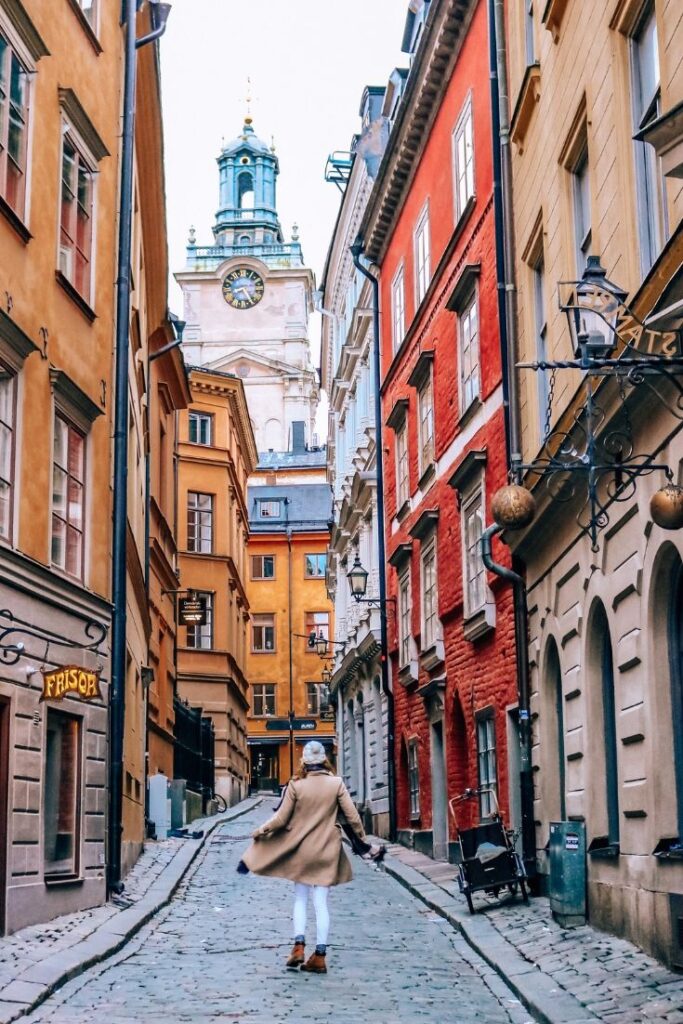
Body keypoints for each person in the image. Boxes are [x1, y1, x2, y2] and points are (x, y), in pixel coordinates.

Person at [239, 740, 381, 974]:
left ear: (304, 760)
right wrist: (362, 841)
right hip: (327, 850)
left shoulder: (296, 785)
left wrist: (259, 831)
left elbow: (281, 819)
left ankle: (298, 946)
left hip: (302, 851)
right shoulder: (336, 784)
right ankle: (320, 955)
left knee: (300, 899)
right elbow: (353, 817)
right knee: (321, 903)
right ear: (324, 759)